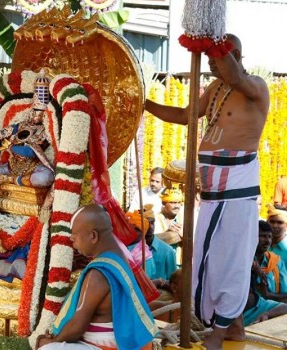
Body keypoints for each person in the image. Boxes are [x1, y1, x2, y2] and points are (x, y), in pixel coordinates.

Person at [145, 34, 269, 349]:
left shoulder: (255, 88)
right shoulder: (214, 89)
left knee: (230, 261)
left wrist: (211, 38)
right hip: (212, 194)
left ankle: (218, 332)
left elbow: (237, 76)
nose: (211, 64)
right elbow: (185, 116)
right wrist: (144, 105)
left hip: (237, 192)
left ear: (234, 54)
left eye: (215, 59)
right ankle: (234, 329)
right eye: (209, 59)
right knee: (206, 260)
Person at [35, 204, 157, 350]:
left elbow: (76, 328)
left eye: (74, 237)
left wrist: (52, 341)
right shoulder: (118, 257)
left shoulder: (99, 273)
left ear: (93, 236)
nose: (73, 244)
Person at [0, 70, 54, 226]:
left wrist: (11, 146)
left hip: (32, 168)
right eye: (34, 112)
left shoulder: (44, 131)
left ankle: (14, 181)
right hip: (12, 165)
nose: (36, 116)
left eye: (40, 113)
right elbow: (1, 134)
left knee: (45, 178)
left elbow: (30, 152)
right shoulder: (21, 125)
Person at [127, 206, 177, 282]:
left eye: (152, 222)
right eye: (146, 223)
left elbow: (173, 282)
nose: (150, 227)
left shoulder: (167, 251)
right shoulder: (129, 250)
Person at [252, 221, 287, 302]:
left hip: (274, 310)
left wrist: (268, 295)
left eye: (270, 237)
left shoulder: (276, 261)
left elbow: (285, 295)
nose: (267, 241)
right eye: (263, 236)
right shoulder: (244, 261)